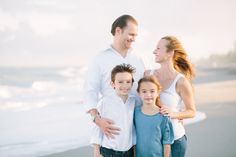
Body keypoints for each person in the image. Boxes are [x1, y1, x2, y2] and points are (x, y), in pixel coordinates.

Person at [84, 14, 145, 138]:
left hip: (139, 125)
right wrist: (96, 119)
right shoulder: (100, 58)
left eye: (135, 35)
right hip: (113, 127)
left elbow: (151, 85)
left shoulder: (139, 58)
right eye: (131, 34)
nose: (134, 39)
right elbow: (90, 90)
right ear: (118, 31)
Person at [146, 36, 196, 157]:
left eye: (158, 48)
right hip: (153, 140)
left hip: (175, 141)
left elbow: (191, 111)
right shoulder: (148, 74)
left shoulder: (181, 81)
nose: (154, 51)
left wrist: (174, 114)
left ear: (170, 53)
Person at [91, 64, 136, 157]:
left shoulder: (134, 102)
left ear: (132, 83)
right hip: (109, 151)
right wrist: (96, 150)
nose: (125, 85)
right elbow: (96, 126)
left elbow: (133, 127)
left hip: (129, 151)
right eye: (120, 82)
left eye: (128, 81)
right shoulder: (105, 102)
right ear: (113, 84)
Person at [134, 76, 174, 157]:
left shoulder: (163, 115)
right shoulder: (135, 113)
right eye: (144, 91)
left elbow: (167, 142)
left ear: (158, 92)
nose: (148, 95)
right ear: (139, 93)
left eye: (152, 91)